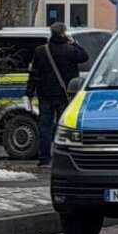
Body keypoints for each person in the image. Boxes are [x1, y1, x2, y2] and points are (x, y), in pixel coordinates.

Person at [25, 22, 88, 164]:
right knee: (64, 127)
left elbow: (34, 73)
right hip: (65, 95)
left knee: (44, 127)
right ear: (63, 33)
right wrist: (75, 43)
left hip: (45, 94)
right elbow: (85, 57)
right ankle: (63, 157)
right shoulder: (71, 50)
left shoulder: (41, 51)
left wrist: (29, 92)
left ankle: (44, 158)